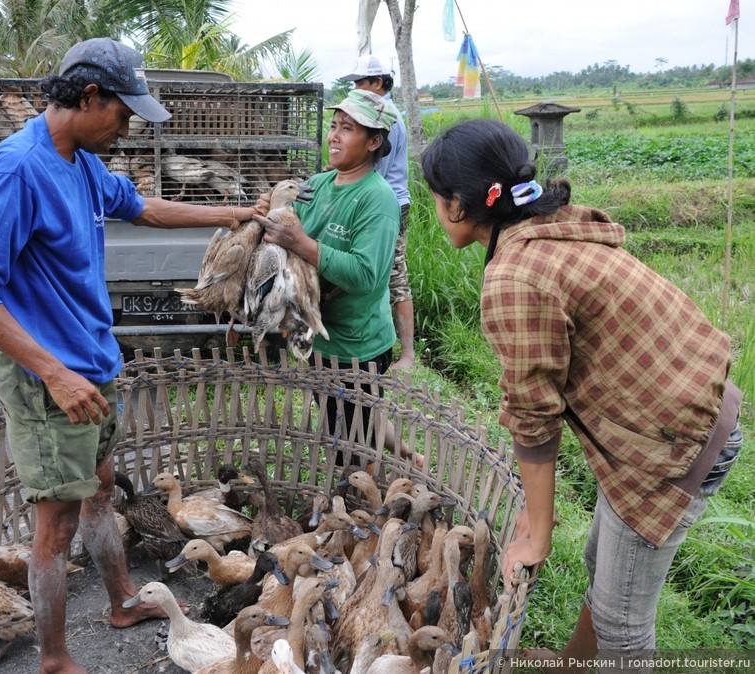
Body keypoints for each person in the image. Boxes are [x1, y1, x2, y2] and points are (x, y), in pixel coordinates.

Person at [0, 37, 261, 674]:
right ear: (88, 96)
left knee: (103, 487)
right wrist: (54, 373)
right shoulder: (20, 167)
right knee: (55, 527)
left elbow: (138, 207)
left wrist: (230, 212)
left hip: (92, 364)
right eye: (122, 111)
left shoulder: (81, 161)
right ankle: (56, 659)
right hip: (50, 380)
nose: (127, 124)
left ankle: (120, 600)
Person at [420, 118, 743, 673]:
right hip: (684, 404)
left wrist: (538, 536)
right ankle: (573, 664)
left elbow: (534, 419)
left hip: (672, 442)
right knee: (601, 560)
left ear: (456, 205)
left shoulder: (514, 278)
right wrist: (535, 513)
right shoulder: (553, 227)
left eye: (434, 198)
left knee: (623, 622)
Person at [259, 88, 421, 468]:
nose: (333, 135)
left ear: (374, 142)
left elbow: (366, 276)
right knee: (346, 426)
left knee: (351, 448)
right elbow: (287, 232)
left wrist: (303, 243)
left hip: (356, 348)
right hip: (320, 340)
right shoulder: (319, 184)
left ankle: (363, 503)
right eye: (333, 126)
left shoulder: (377, 200)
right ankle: (405, 457)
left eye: (347, 129)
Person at [340, 55, 415, 371]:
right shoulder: (376, 113)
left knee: (395, 275)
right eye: (355, 83)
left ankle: (408, 355)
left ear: (381, 83)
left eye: (363, 82)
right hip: (380, 204)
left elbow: (373, 171)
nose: (358, 89)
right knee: (378, 275)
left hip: (388, 206)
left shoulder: (388, 119)